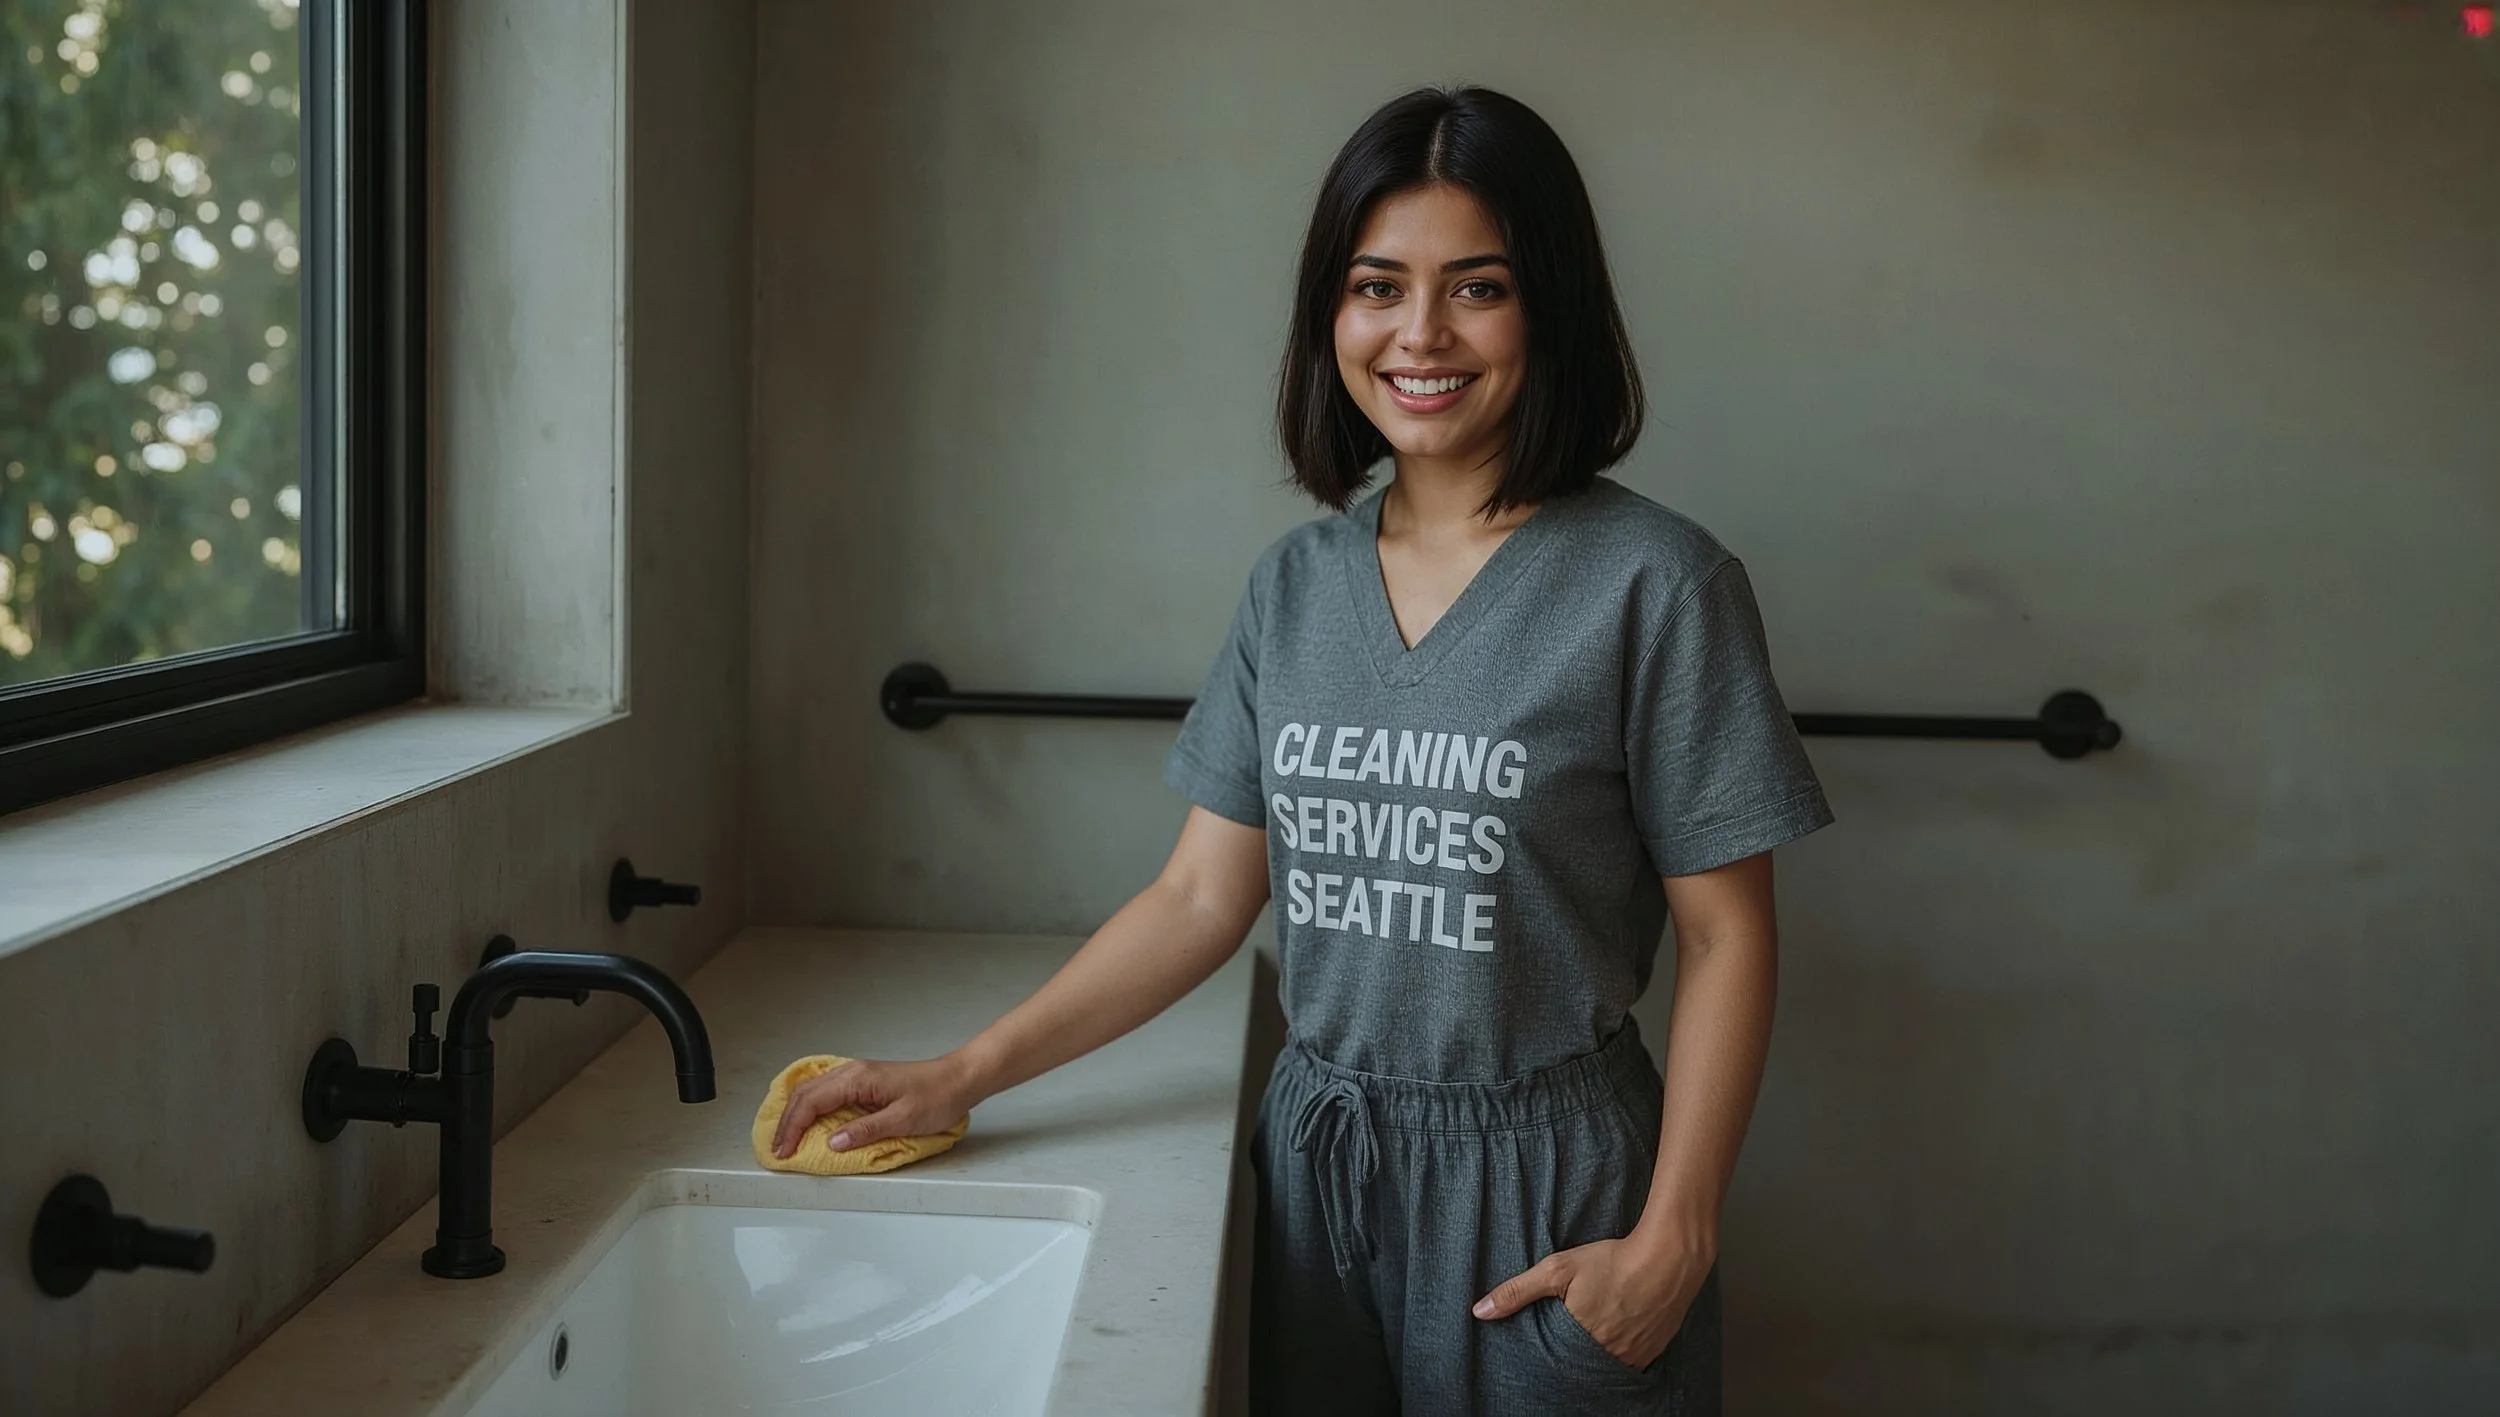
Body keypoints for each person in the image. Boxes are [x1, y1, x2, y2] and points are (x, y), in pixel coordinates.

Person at [769, 84, 1833, 1416]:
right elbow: (1201, 897)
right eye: (1377, 287)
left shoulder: (1656, 586)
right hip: (1316, 1168)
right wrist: (960, 1074)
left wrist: (1675, 1233)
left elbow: (1730, 936)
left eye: (1478, 288)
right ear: (1331, 315)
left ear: (1548, 304)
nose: (1420, 334)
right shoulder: (1294, 589)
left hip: (1549, 1184)